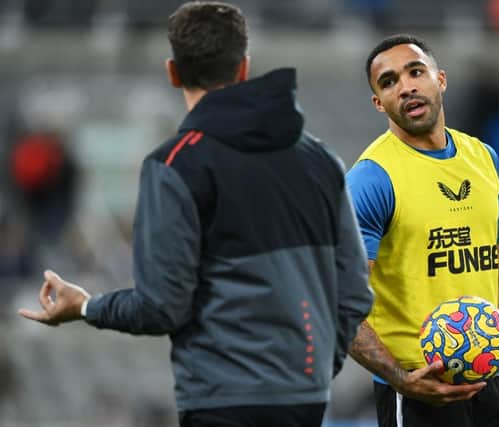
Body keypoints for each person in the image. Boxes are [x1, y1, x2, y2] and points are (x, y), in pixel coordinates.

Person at [18, 3, 373, 427]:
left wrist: (88, 307)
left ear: (173, 72)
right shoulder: (321, 161)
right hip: (307, 400)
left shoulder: (174, 166)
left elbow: (161, 306)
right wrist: (311, 373)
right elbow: (354, 293)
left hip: (220, 402)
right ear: (244, 68)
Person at [346, 35, 499, 427]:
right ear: (378, 103)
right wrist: (403, 381)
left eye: (415, 71)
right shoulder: (372, 179)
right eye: (388, 82)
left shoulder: (483, 158)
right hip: (423, 393)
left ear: (440, 79)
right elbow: (342, 302)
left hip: (496, 382)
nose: (405, 86)